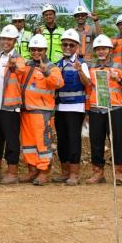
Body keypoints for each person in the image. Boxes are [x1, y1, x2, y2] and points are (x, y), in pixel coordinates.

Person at [82, 34, 122, 185]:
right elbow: (88, 91)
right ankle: (98, 173)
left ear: (110, 50)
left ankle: (118, 173)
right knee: (96, 142)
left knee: (117, 141)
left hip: (114, 110)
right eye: (98, 49)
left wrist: (118, 79)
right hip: (95, 110)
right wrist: (87, 111)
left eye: (104, 49)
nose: (101, 51)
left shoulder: (119, 68)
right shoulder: (91, 68)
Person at [17, 34, 64, 185]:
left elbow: (59, 83)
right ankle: (32, 170)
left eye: (39, 50)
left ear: (45, 50)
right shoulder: (27, 65)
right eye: (33, 49)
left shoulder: (52, 67)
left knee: (43, 143)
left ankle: (44, 171)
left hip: (42, 112)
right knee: (28, 144)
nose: (36, 52)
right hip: (26, 111)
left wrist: (46, 73)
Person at [0, 25, 26, 184]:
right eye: (3, 39)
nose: (6, 42)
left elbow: (22, 71)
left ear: (15, 41)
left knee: (11, 140)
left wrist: (15, 66)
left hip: (10, 108)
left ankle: (12, 172)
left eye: (9, 39)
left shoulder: (19, 59)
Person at [53, 29, 86, 186]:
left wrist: (80, 71)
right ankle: (64, 172)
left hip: (76, 108)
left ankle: (74, 173)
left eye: (71, 45)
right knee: (62, 141)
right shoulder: (57, 65)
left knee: (73, 141)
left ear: (76, 47)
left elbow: (88, 84)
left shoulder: (82, 64)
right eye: (65, 44)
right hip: (60, 108)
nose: (67, 47)